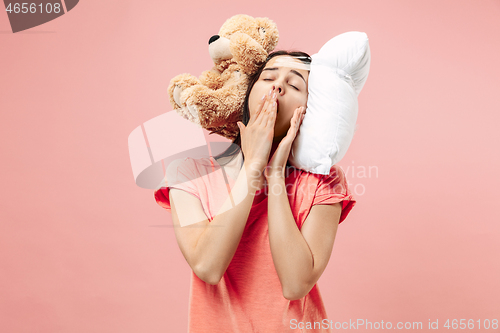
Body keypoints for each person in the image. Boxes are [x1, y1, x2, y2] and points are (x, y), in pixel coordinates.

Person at [154, 50, 356, 332]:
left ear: (310, 110)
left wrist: (274, 175)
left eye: (295, 85)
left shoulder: (324, 183)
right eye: (268, 77)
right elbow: (208, 267)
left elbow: (295, 284)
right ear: (247, 96)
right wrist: (253, 167)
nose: (277, 86)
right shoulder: (188, 174)